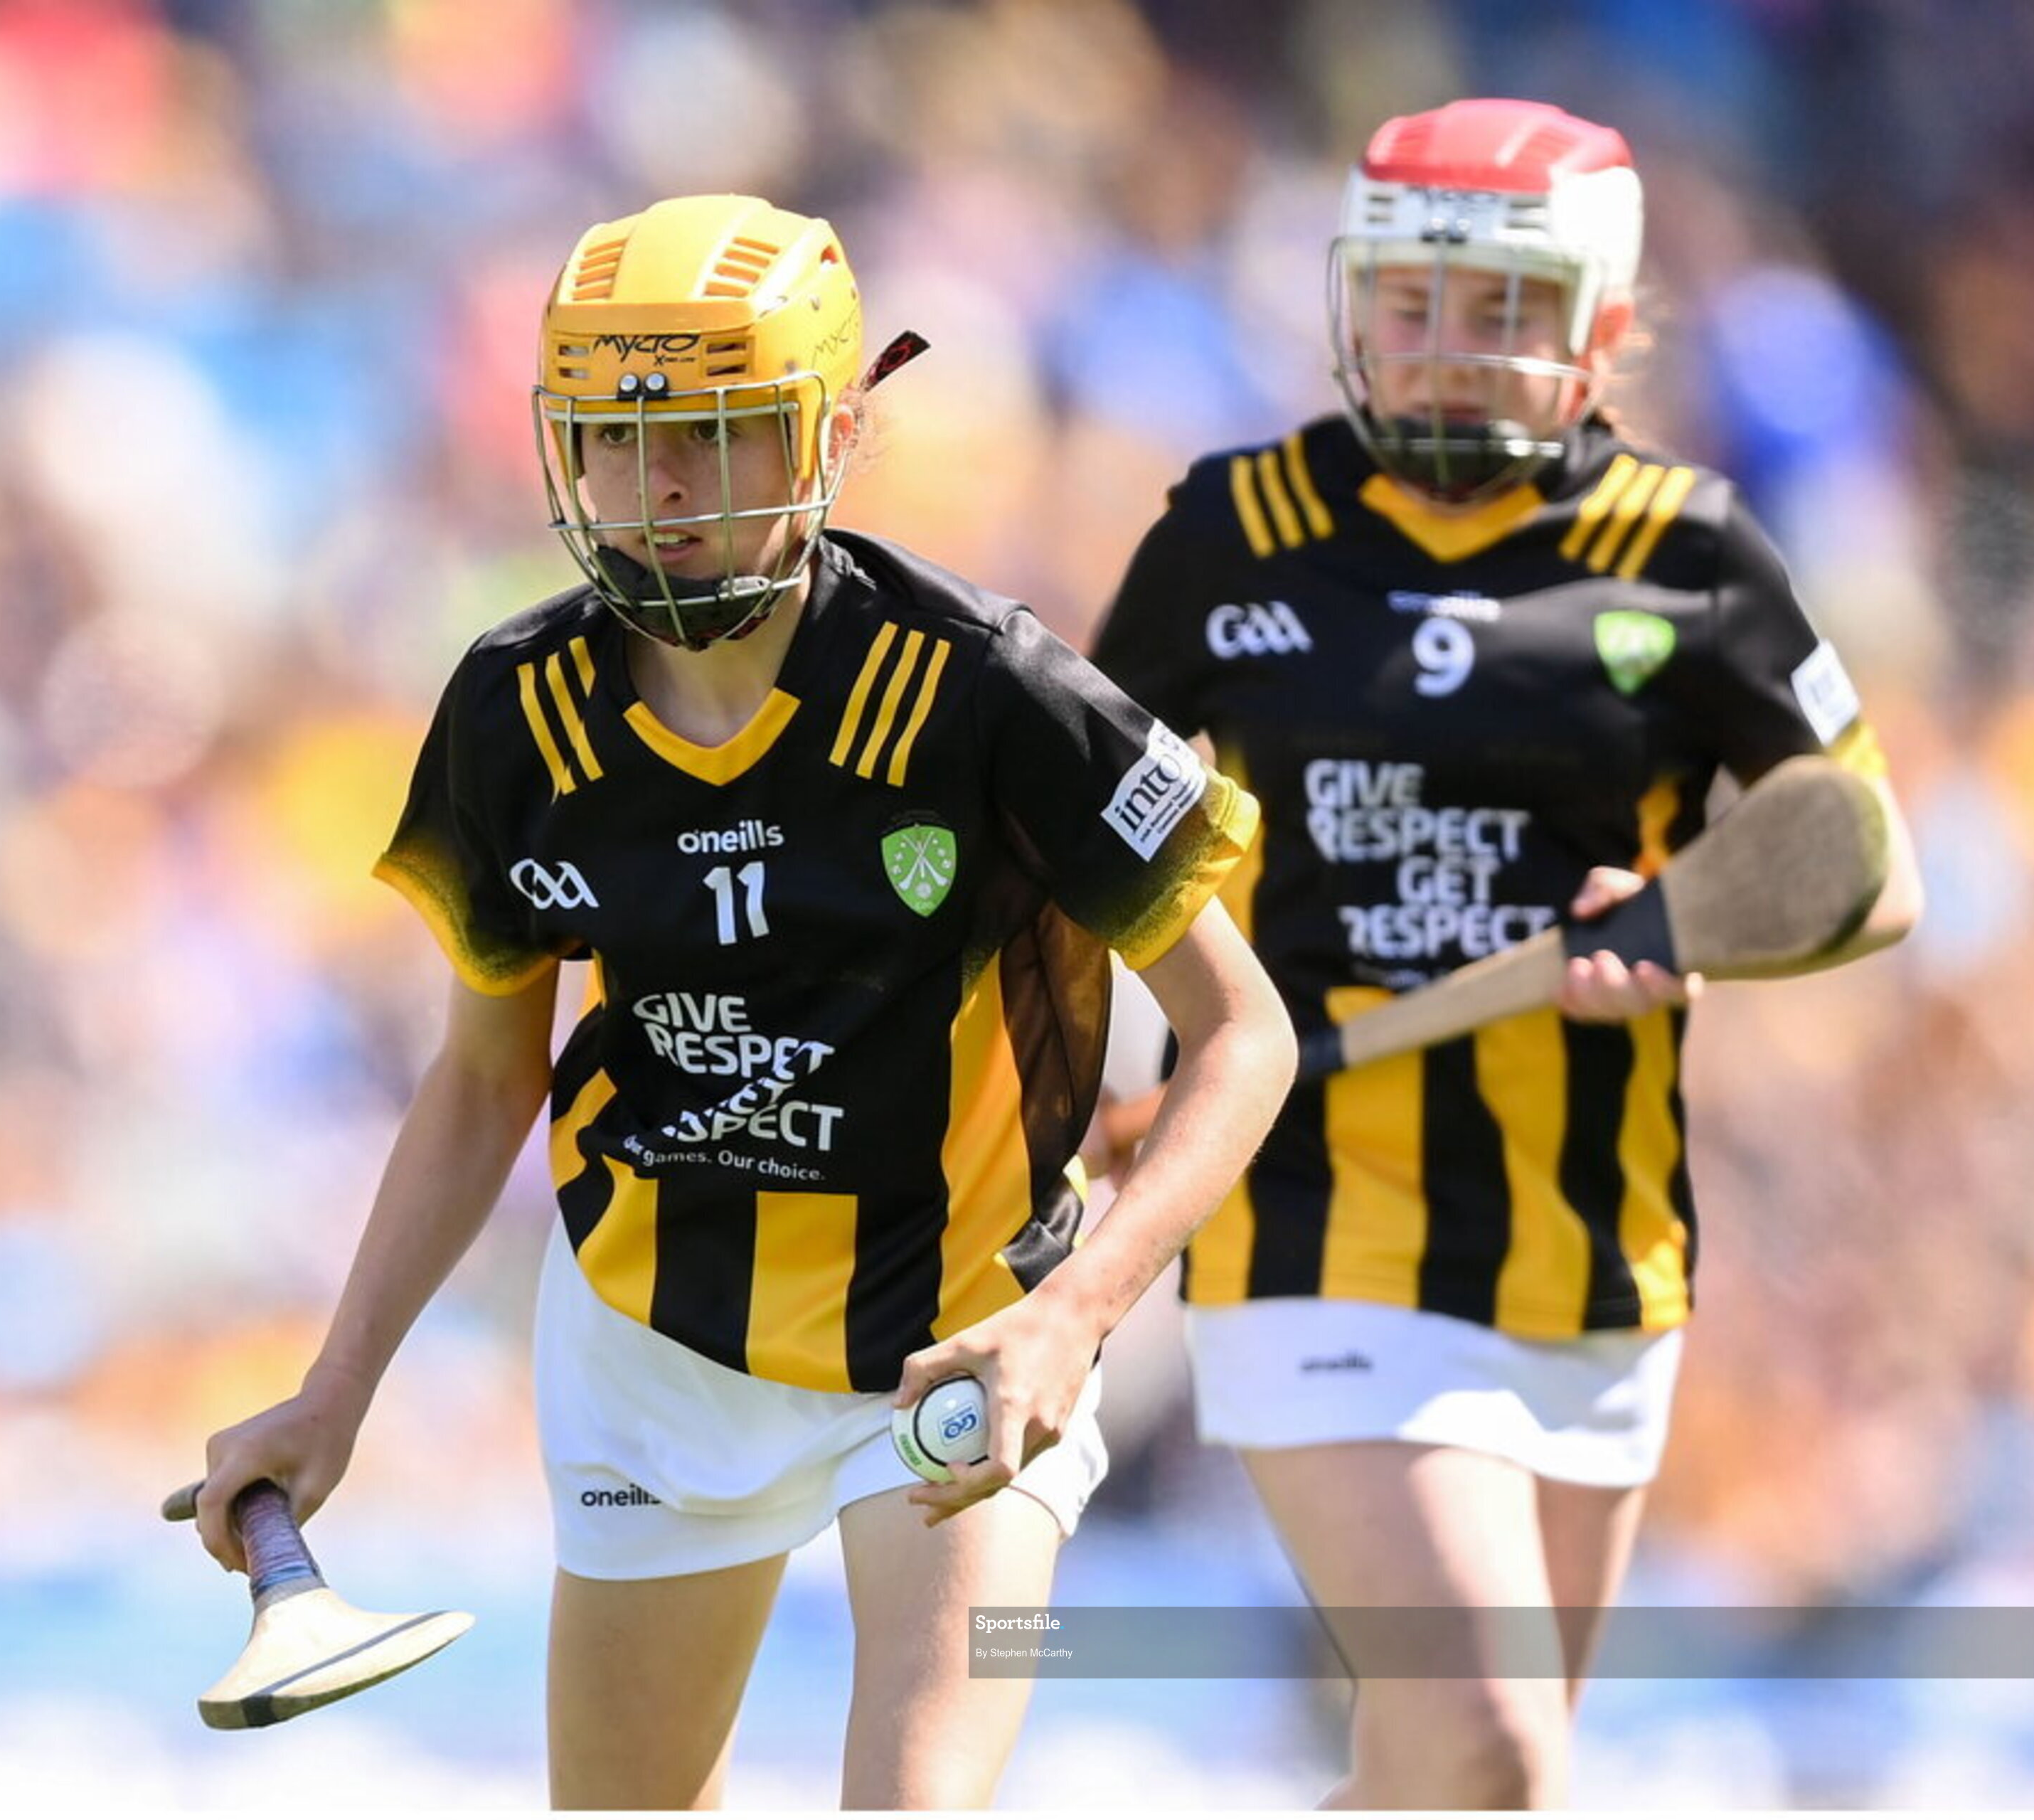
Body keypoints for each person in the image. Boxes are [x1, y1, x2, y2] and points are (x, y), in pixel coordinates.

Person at [191, 193, 1295, 1810]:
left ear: (835, 432)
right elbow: (482, 1080)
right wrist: (335, 1388)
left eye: (716, 437)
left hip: (960, 1337)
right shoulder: (515, 707)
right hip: (653, 1345)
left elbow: (1244, 1033)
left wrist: (1077, 1314)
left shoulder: (993, 689)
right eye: (619, 444)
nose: (662, 494)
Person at [1089, 99, 1922, 1809]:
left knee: (1439, 1776)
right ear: (1346, 299)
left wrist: (1686, 930)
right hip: (1309, 1213)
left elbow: (1861, 862)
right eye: (1408, 302)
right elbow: (1070, 848)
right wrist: (1099, 1077)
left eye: (1501, 312)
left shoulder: (1688, 557)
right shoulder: (1223, 539)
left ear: (1600, 328)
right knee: (1492, 1745)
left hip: (1593, 1249)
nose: (1446, 351)